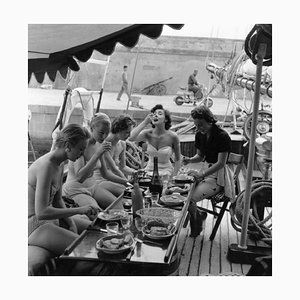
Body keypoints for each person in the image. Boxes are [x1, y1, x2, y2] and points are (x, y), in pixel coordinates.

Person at [28, 123, 99, 256]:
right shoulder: (46, 166)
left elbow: (57, 201)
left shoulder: (59, 164)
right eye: (81, 149)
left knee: (96, 231)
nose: (82, 154)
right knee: (86, 250)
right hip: (34, 225)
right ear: (67, 146)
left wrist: (71, 223)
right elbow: (41, 212)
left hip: (50, 220)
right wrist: (80, 210)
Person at [182, 106, 233, 237]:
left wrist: (201, 175)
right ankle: (198, 215)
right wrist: (189, 160)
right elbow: (199, 156)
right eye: (196, 125)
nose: (198, 128)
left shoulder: (222, 136)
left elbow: (221, 163)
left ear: (209, 120)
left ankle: (196, 221)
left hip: (217, 177)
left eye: (201, 125)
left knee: (189, 198)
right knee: (181, 193)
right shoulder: (199, 134)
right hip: (204, 172)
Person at [63, 113, 130, 210]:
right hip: (76, 188)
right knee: (97, 213)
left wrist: (126, 182)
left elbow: (106, 174)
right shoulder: (82, 145)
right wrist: (98, 154)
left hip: (92, 186)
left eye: (107, 133)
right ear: (91, 128)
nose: (104, 136)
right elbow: (80, 177)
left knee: (119, 207)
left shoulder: (99, 145)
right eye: (101, 132)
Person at [129, 104, 181, 177]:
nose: (155, 115)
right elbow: (130, 138)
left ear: (165, 119)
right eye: (154, 114)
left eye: (159, 114)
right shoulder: (147, 133)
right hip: (149, 170)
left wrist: (174, 176)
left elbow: (178, 160)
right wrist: (145, 122)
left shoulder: (173, 136)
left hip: (166, 171)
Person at [104, 114, 136, 178]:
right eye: (127, 132)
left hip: (115, 178)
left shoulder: (122, 144)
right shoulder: (105, 143)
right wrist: (127, 182)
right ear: (118, 129)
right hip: (102, 178)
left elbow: (123, 167)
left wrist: (135, 173)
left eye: (130, 132)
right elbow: (112, 169)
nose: (129, 135)